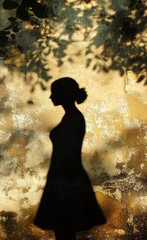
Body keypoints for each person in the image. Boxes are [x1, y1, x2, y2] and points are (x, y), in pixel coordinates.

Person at [33, 77, 106, 240]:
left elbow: (67, 153)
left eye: (54, 93)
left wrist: (59, 180)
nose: (51, 97)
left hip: (67, 178)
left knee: (64, 228)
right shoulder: (72, 117)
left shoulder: (73, 118)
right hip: (65, 176)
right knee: (64, 228)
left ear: (63, 94)